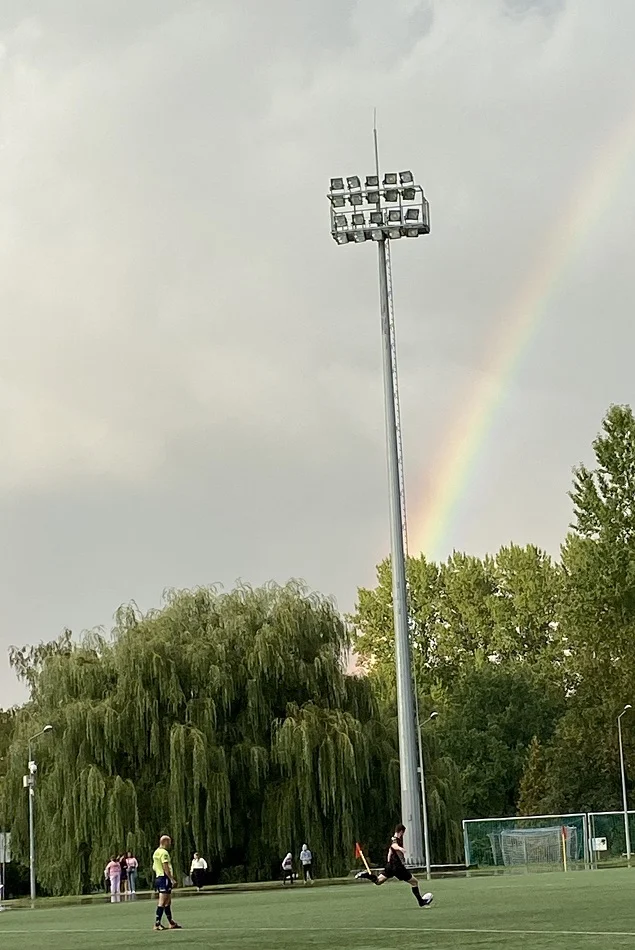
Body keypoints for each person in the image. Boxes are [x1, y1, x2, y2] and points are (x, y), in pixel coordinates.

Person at [355, 824, 433, 908]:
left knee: (378, 881)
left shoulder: (392, 838)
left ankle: (366, 875)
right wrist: (400, 849)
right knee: (414, 882)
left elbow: (390, 850)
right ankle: (421, 902)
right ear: (401, 832)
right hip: (398, 867)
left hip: (390, 865)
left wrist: (389, 859)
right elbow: (394, 846)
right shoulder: (396, 840)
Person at [152, 834, 182, 931]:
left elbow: (154, 867)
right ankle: (157, 923)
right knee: (162, 901)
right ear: (165, 842)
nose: (170, 844)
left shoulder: (156, 852)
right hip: (164, 878)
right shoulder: (164, 853)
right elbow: (165, 867)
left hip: (159, 877)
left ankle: (171, 922)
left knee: (168, 901)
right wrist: (171, 879)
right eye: (169, 842)